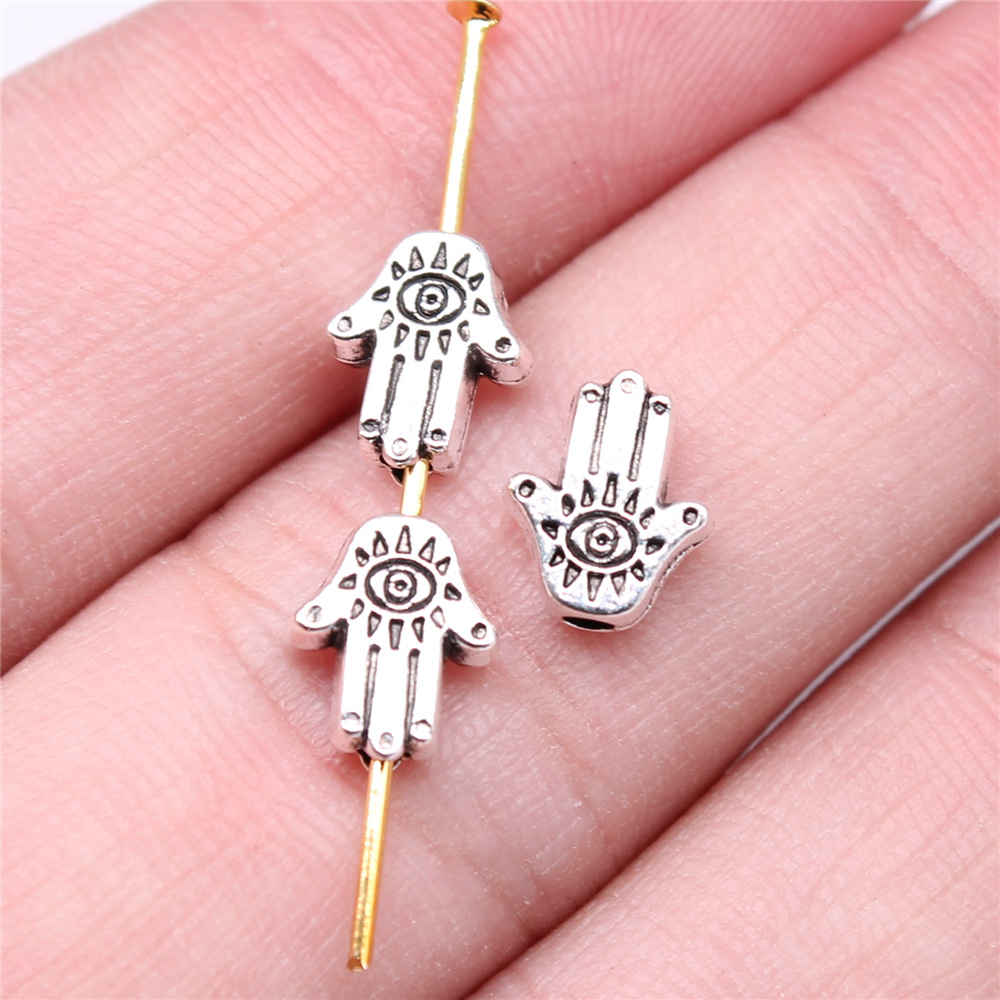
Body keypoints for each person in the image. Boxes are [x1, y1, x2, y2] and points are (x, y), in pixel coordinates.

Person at [2, 2, 996, 996]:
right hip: (414, 414)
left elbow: (463, 450)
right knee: (406, 464)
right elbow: (413, 381)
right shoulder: (424, 313)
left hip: (435, 423)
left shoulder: (449, 332)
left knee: (418, 465)